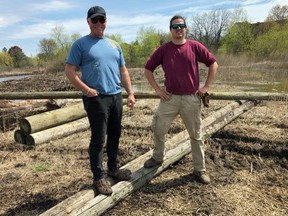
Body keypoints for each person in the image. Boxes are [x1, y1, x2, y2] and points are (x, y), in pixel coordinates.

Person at [65, 5, 136, 195]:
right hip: (96, 98)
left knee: (115, 134)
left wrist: (129, 92)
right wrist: (86, 89)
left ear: (106, 21)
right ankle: (98, 177)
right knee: (98, 139)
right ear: (88, 22)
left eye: (101, 20)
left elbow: (123, 71)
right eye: (94, 20)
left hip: (115, 96)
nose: (98, 24)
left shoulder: (114, 44)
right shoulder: (80, 44)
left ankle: (113, 168)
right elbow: (70, 71)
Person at [143, 15, 218, 184]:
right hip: (169, 98)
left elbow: (213, 63)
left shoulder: (195, 46)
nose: (178, 29)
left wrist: (206, 87)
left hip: (191, 98)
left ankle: (200, 169)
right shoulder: (163, 49)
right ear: (170, 29)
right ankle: (157, 157)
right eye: (175, 26)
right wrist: (158, 90)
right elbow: (148, 69)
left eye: (181, 26)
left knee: (196, 135)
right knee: (158, 129)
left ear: (186, 28)